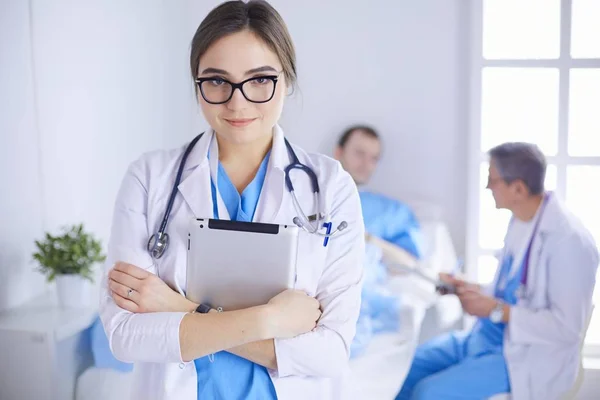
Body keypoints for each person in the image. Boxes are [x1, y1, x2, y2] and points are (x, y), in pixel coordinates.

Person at [99, 2, 365, 399]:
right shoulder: (150, 178)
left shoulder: (331, 187)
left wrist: (178, 308)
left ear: (286, 79)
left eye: (259, 80)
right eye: (217, 81)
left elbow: (329, 353)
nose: (237, 103)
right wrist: (270, 319)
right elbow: (125, 336)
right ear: (197, 83)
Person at [396, 142, 598, 400]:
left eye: (493, 180)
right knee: (409, 368)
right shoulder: (521, 219)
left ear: (518, 188)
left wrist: (494, 309)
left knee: (428, 393)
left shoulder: (569, 242)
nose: (488, 187)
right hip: (484, 339)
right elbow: (512, 290)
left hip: (525, 357)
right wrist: (467, 287)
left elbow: (566, 328)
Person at [334, 125, 424, 264]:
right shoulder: (313, 198)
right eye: (359, 153)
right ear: (339, 153)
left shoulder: (391, 211)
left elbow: (410, 265)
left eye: (374, 158)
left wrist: (367, 238)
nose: (366, 164)